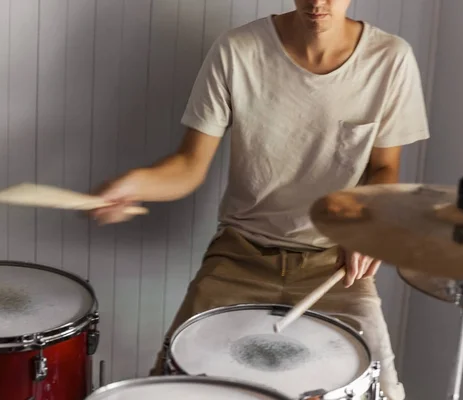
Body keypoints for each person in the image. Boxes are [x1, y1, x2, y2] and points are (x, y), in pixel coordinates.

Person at [91, 0, 429, 398]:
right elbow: (189, 166)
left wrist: (368, 227)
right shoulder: (238, 50)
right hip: (240, 254)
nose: (317, 2)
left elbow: (384, 169)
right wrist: (134, 184)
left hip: (333, 264)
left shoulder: (390, 59)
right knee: (168, 384)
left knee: (384, 391)